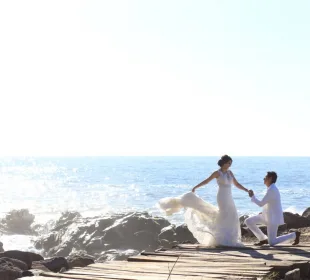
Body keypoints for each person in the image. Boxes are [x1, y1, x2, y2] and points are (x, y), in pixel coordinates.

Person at [158, 155, 249, 247]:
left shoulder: (230, 173)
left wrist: (246, 190)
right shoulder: (217, 173)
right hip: (222, 197)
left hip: (229, 196)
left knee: (232, 214)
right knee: (224, 214)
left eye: (230, 163)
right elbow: (207, 181)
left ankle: (229, 237)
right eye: (228, 163)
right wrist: (196, 187)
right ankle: (221, 238)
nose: (230, 165)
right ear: (224, 163)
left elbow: (236, 184)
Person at [245, 171, 301, 246]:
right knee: (248, 221)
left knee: (272, 242)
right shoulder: (270, 188)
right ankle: (263, 239)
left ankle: (294, 235)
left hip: (273, 218)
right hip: (266, 216)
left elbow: (261, 203)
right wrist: (263, 212)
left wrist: (252, 196)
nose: (263, 178)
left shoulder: (272, 190)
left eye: (265, 177)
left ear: (270, 179)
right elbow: (268, 203)